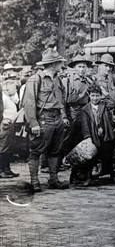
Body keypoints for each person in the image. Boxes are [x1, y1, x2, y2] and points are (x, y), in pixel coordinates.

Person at [22, 48, 70, 191]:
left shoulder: (58, 79)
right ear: (54, 64)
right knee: (36, 150)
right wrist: (34, 123)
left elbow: (61, 100)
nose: (62, 65)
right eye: (60, 62)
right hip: (43, 119)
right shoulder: (35, 79)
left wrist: (63, 117)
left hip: (57, 119)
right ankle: (34, 181)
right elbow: (28, 103)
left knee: (56, 150)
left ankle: (53, 179)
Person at [63, 54, 94, 183]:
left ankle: (84, 173)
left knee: (86, 144)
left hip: (86, 114)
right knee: (74, 145)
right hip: (73, 114)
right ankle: (74, 174)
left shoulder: (89, 81)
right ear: (74, 68)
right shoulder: (68, 81)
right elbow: (67, 100)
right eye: (79, 67)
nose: (82, 69)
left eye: (84, 67)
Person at [79, 83, 115, 186]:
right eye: (92, 95)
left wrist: (106, 94)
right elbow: (85, 125)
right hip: (93, 136)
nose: (95, 98)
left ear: (100, 96)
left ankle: (112, 175)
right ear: (89, 95)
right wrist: (88, 137)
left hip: (106, 135)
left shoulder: (104, 105)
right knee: (91, 158)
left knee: (108, 155)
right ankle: (88, 177)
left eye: (97, 95)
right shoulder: (85, 109)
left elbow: (114, 103)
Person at [0, 78, 19, 178]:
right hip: (5, 126)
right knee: (3, 148)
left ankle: (7, 169)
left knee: (8, 148)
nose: (16, 90)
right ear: (7, 89)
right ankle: (1, 170)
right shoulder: (3, 98)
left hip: (10, 126)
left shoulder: (8, 98)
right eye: (14, 88)